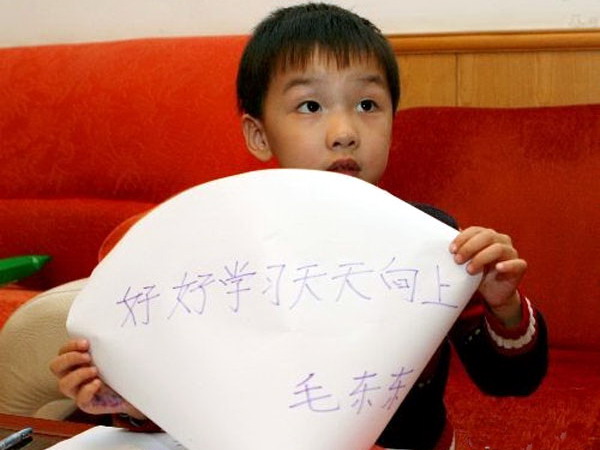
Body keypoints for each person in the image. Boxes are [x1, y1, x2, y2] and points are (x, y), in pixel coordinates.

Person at [50, 3, 548, 449]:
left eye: (368, 105)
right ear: (259, 134)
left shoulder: (432, 238)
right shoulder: (218, 249)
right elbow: (201, 396)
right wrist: (130, 397)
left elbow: (511, 380)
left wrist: (503, 307)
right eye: (310, 106)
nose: (345, 132)